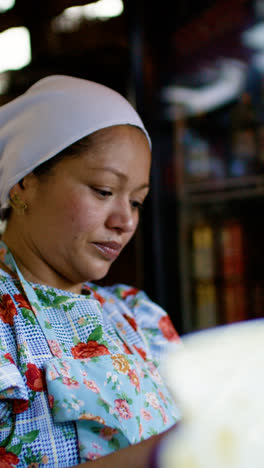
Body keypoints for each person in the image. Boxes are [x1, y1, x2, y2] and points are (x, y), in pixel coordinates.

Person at [0, 75, 180, 467]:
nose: (124, 221)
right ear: (23, 184)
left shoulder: (136, 317)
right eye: (103, 190)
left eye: (136, 202)